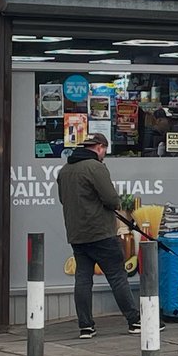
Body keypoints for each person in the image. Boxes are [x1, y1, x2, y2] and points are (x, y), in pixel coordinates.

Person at [57, 132, 144, 338]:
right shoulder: (96, 167)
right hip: (101, 232)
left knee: (83, 279)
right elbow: (112, 200)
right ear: (99, 147)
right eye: (104, 150)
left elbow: (63, 200)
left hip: (77, 233)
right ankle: (135, 321)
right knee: (117, 276)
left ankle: (85, 326)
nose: (104, 154)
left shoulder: (65, 170)